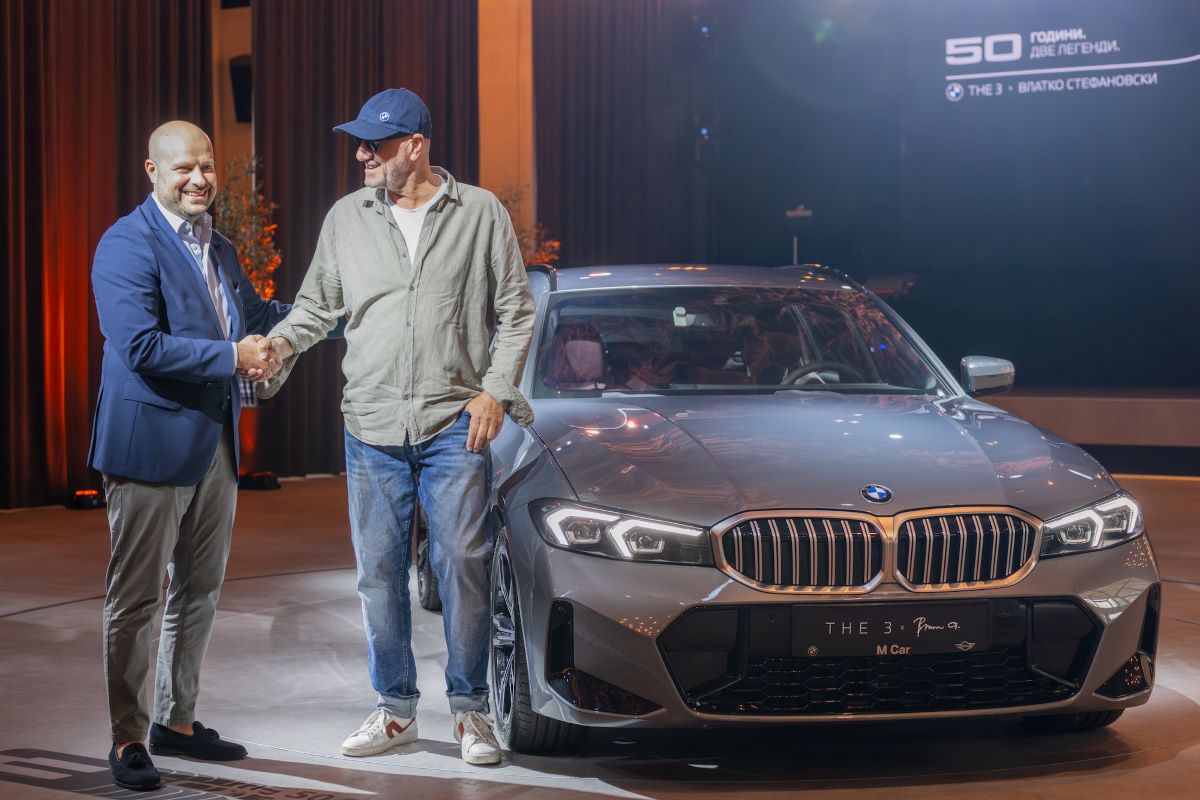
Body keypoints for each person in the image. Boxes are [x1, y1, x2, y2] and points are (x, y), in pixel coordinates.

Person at [258, 88, 535, 765]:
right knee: (379, 575)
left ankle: (470, 712)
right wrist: (280, 344)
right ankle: (395, 711)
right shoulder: (347, 218)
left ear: (415, 145)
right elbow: (316, 307)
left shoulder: (480, 213)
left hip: (454, 424)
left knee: (462, 566)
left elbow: (516, 310)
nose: (361, 155)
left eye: (373, 144)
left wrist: (495, 392)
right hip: (372, 424)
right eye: (358, 144)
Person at [89, 121, 289, 790]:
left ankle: (175, 722)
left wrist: (336, 312)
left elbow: (255, 316)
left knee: (198, 590)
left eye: (206, 165)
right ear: (153, 172)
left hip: (213, 445)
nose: (199, 179)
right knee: (137, 599)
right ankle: (127, 737)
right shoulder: (125, 243)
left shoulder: (219, 245)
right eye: (184, 168)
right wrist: (231, 357)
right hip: (148, 449)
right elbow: (139, 345)